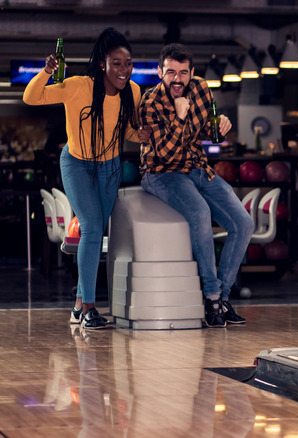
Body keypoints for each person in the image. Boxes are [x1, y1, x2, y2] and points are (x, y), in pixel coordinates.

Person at [23, 27, 149, 330]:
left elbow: (128, 130)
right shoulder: (77, 86)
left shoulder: (133, 90)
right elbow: (31, 97)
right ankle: (90, 306)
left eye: (128, 63)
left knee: (96, 233)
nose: (123, 70)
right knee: (92, 228)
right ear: (102, 63)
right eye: (116, 63)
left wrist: (141, 134)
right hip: (77, 164)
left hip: (110, 166)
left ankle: (79, 305)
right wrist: (45, 72)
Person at [139, 43, 253, 328]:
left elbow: (206, 133)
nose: (177, 79)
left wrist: (221, 125)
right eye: (170, 73)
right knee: (200, 212)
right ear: (159, 72)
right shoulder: (149, 103)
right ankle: (211, 296)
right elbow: (165, 154)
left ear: (192, 72)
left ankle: (222, 299)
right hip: (162, 173)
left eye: (183, 73)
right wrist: (179, 116)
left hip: (198, 168)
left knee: (243, 223)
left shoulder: (201, 88)